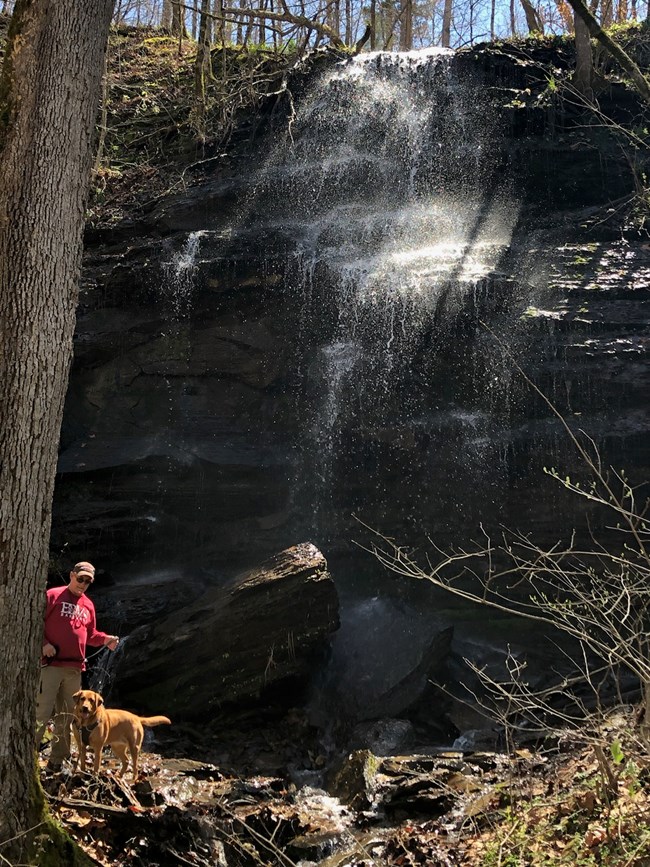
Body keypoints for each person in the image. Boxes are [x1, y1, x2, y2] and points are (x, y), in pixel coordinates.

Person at [35, 560, 119, 771]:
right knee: (41, 712)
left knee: (67, 716)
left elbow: (90, 635)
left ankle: (58, 760)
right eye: (80, 578)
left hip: (74, 669)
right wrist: (43, 644)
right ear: (72, 575)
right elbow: (34, 622)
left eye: (87, 581)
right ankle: (28, 757)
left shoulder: (88, 605)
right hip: (50, 665)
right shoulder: (52, 595)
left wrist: (105, 639)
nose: (82, 584)